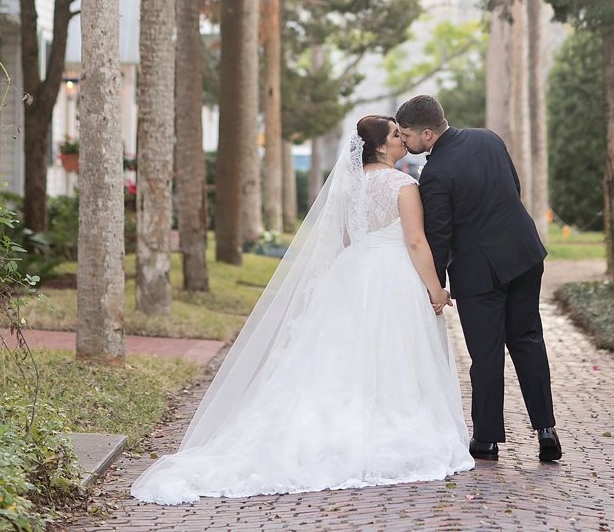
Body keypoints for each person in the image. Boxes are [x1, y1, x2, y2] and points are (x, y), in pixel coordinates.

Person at [131, 116, 474, 504]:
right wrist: (436, 290)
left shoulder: (349, 186)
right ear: (380, 146)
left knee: (341, 359)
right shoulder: (404, 186)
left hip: (353, 272)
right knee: (394, 354)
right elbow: (414, 242)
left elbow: (346, 239)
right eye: (396, 135)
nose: (403, 140)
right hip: (392, 276)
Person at [395, 95, 562, 465]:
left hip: (479, 272)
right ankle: (547, 430)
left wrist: (433, 289)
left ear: (427, 133)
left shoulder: (434, 175)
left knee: (486, 354)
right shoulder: (489, 138)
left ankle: (486, 440)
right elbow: (512, 188)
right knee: (528, 340)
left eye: (407, 135)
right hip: (524, 255)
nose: (404, 142)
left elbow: (438, 237)